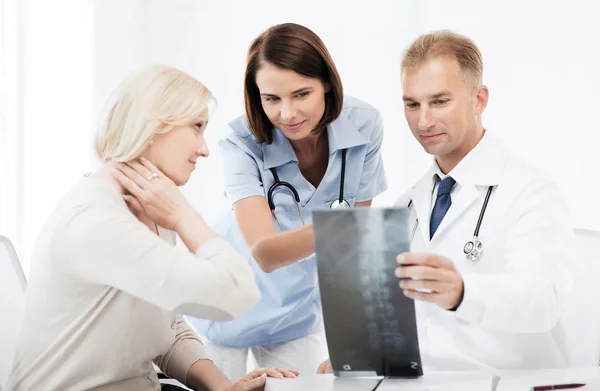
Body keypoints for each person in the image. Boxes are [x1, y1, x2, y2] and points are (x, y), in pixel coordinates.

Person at [7, 64, 296, 391]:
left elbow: (167, 327)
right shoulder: (97, 221)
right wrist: (185, 217)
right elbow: (237, 293)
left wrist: (223, 387)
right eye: (196, 127)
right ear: (152, 126)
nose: (203, 149)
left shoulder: (148, 208)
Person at [319, 30, 578, 372]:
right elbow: (406, 323)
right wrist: (354, 354)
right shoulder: (407, 205)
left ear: (479, 99)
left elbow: (546, 300)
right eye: (412, 104)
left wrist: (462, 291)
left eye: (440, 101)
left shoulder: (530, 190)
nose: (423, 121)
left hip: (509, 380)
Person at [186, 23, 388, 379]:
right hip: (224, 304)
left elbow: (351, 254)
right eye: (272, 99)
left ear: (327, 82)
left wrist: (351, 342)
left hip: (294, 311)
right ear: (256, 96)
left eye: (301, 94)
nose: (288, 114)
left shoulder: (364, 125)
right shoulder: (240, 142)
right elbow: (264, 253)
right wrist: (348, 230)